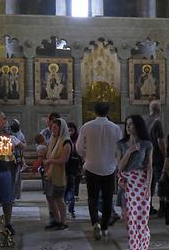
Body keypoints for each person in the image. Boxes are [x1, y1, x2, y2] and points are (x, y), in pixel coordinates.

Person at [76, 102, 122, 241]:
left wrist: (86, 156)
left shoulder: (87, 126)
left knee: (93, 198)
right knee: (108, 199)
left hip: (91, 167)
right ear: (108, 112)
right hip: (109, 168)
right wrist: (114, 160)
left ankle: (95, 223)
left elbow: (78, 148)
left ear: (95, 111)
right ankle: (105, 227)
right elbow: (119, 149)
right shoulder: (115, 128)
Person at [116, 115, 154, 250]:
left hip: (141, 183)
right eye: (127, 124)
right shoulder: (121, 144)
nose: (128, 127)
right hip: (126, 184)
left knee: (141, 218)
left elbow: (149, 166)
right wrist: (130, 151)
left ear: (138, 126)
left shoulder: (146, 144)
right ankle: (134, 247)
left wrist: (148, 186)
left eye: (131, 124)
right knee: (129, 218)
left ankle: (142, 245)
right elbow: (119, 167)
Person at [42, 117, 72, 230]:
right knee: (50, 198)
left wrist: (50, 161)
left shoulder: (66, 142)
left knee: (59, 199)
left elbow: (63, 160)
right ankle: (57, 219)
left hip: (59, 174)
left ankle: (63, 222)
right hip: (50, 173)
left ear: (61, 128)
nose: (52, 129)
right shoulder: (54, 139)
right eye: (52, 127)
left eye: (55, 127)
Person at [146, 100, 167, 216]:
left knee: (149, 183)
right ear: (158, 110)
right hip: (158, 157)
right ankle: (162, 207)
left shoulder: (145, 121)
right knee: (161, 180)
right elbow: (161, 142)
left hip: (147, 158)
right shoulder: (157, 122)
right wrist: (165, 155)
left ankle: (148, 207)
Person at [65, 122, 83, 219]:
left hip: (74, 169)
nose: (70, 132)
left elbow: (80, 153)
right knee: (65, 190)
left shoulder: (77, 141)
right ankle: (65, 209)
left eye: (72, 130)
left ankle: (71, 210)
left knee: (71, 189)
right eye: (68, 130)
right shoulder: (63, 140)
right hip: (64, 168)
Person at [9, 120, 26, 200]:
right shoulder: (10, 135)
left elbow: (23, 146)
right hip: (11, 158)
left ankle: (15, 195)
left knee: (16, 178)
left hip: (17, 157)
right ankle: (11, 196)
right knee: (12, 178)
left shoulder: (20, 135)